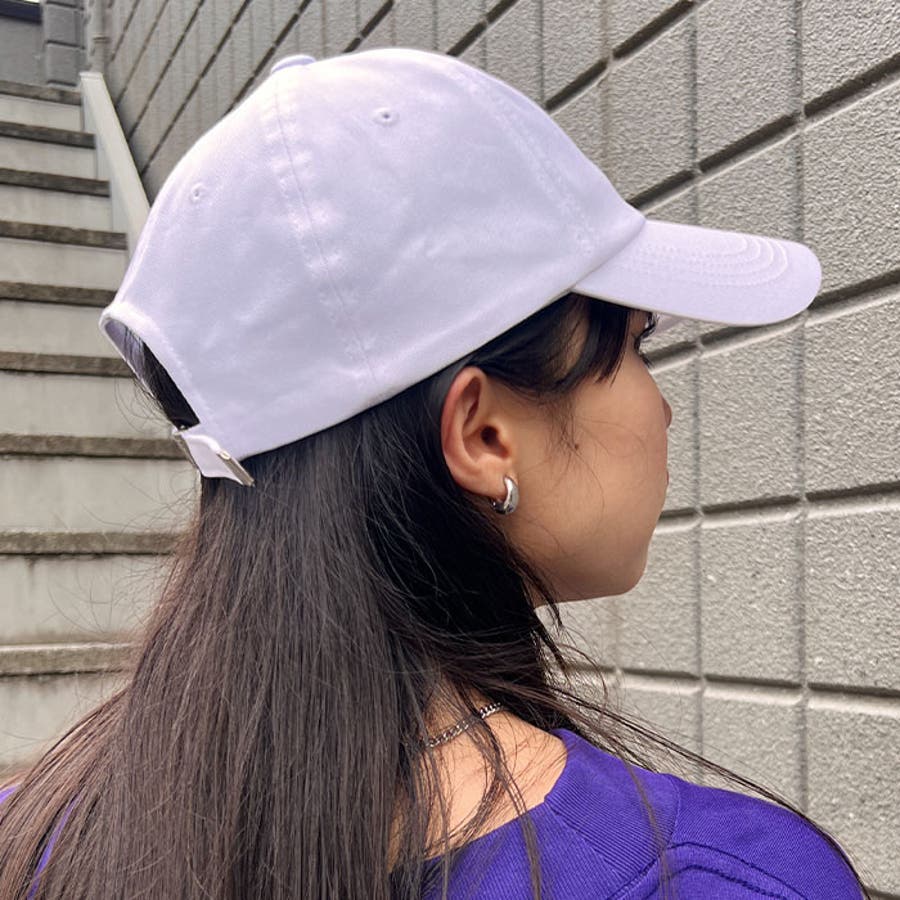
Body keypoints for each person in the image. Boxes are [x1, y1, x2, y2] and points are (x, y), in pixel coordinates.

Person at [0, 46, 868, 899]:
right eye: (636, 345)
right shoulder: (729, 878)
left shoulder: (31, 838)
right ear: (484, 435)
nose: (662, 407)